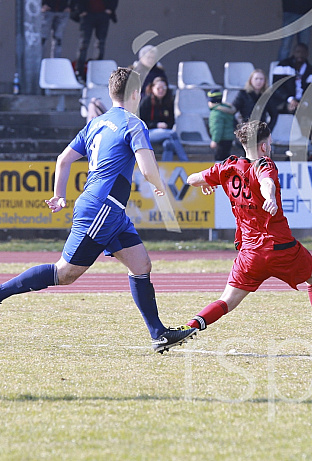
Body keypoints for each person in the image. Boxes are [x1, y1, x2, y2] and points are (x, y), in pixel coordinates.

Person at [0, 68, 197, 353]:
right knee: (64, 273)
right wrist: (159, 185)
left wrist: (59, 195)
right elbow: (146, 168)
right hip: (102, 209)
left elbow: (63, 159)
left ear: (110, 93)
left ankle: (158, 334)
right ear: (135, 93)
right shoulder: (134, 123)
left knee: (141, 265)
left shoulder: (96, 123)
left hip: (111, 212)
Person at [182, 120, 312, 339]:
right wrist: (269, 198)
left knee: (227, 300)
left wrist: (205, 183)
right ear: (264, 146)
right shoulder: (264, 164)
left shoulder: (226, 168)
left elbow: (191, 179)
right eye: (269, 142)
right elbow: (265, 181)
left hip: (250, 253)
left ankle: (190, 326)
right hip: (281, 247)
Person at [139, 77, 188, 162]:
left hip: (164, 132)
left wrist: (165, 126)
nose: (161, 90)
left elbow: (171, 121)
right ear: (152, 88)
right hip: (148, 132)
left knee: (168, 144)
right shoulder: (146, 101)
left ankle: (165, 168)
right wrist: (156, 125)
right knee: (172, 134)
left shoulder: (168, 101)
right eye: (158, 88)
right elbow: (141, 122)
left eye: (164, 88)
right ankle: (185, 161)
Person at [71, 0, 118, 82]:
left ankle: (97, 70)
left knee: (100, 43)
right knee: (83, 44)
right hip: (87, 14)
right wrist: (81, 10)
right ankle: (79, 72)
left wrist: (110, 9)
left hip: (103, 14)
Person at [207, 89, 237, 162]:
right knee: (226, 158)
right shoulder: (227, 109)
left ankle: (220, 173)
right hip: (229, 138)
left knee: (219, 158)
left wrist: (215, 140)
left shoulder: (216, 113)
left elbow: (217, 128)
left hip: (221, 140)